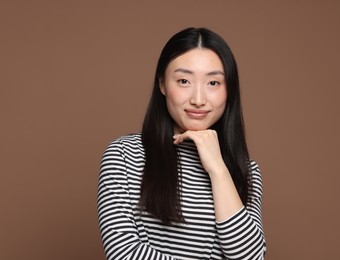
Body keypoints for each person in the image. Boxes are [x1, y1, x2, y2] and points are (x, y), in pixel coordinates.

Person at [97, 27, 266, 260]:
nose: (198, 99)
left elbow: (250, 257)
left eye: (213, 83)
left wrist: (217, 169)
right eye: (184, 80)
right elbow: (124, 253)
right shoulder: (125, 155)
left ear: (230, 90)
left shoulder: (246, 171)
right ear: (163, 84)